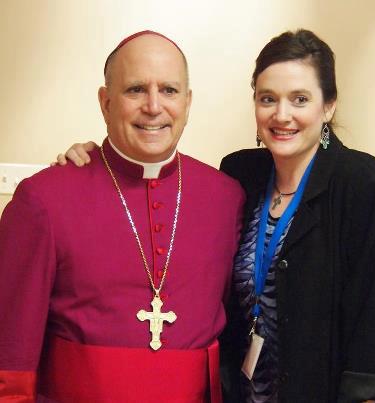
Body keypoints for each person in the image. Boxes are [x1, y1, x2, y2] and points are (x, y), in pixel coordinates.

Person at [58, 29, 375, 403]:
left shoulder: (365, 186)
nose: (282, 114)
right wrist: (98, 160)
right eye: (268, 98)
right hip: (242, 391)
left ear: (329, 106)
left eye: (300, 99)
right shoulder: (241, 174)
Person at [0, 31, 245, 402]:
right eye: (135, 90)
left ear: (188, 102)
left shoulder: (226, 197)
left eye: (169, 90)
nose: (153, 106)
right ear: (106, 102)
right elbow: (10, 356)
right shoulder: (44, 198)